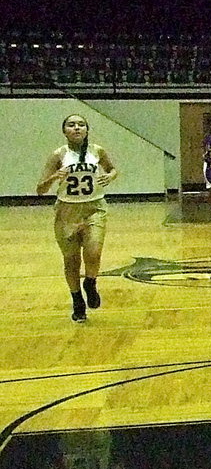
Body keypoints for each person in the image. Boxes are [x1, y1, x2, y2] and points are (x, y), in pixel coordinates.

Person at [36, 114, 118, 322]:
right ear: (65, 131)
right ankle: (76, 300)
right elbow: (40, 189)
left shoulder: (97, 151)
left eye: (81, 124)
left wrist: (110, 176)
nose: (77, 128)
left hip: (94, 208)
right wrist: (55, 176)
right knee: (71, 260)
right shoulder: (58, 155)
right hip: (67, 211)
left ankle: (90, 283)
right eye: (71, 125)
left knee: (94, 253)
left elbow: (113, 169)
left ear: (87, 130)